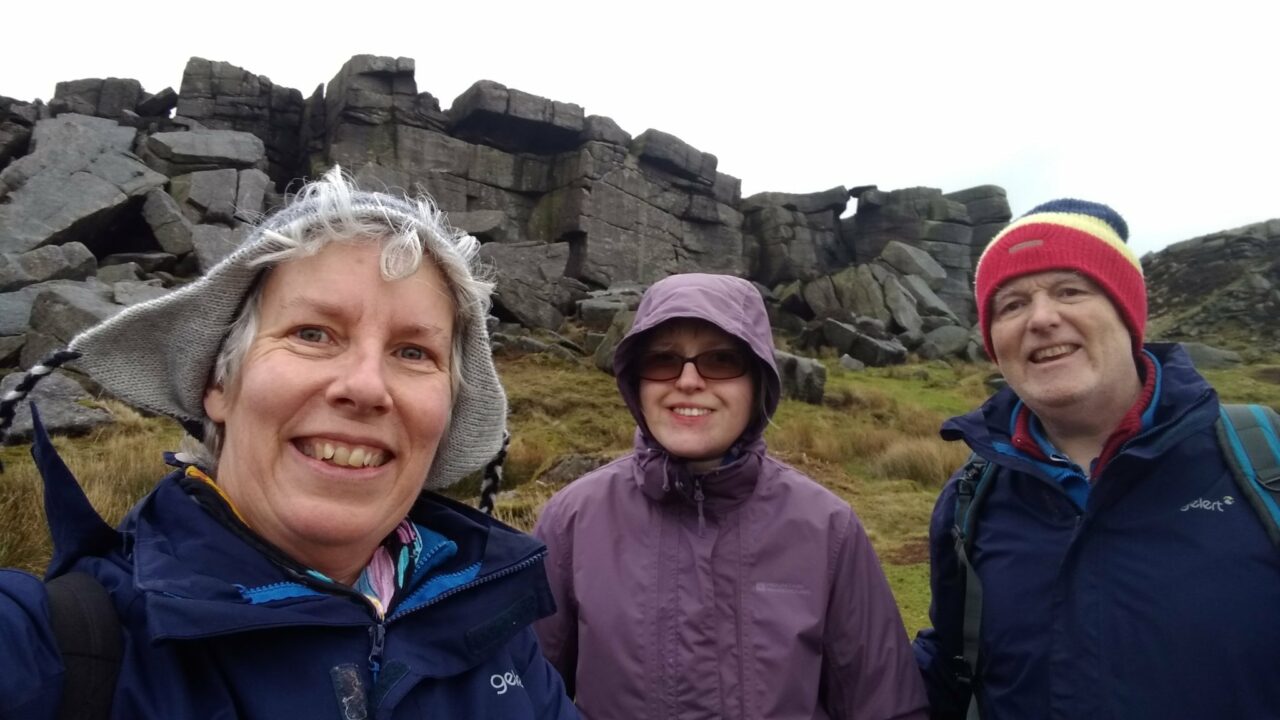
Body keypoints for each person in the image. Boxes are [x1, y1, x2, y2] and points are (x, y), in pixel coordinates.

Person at [0, 168, 578, 719]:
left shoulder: (497, 631)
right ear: (218, 385)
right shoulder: (62, 644)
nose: (366, 387)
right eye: (312, 334)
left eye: (412, 352)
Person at [913, 199, 1280, 719]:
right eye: (1011, 305)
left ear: (1127, 315)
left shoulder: (1263, 459)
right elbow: (949, 661)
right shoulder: (971, 497)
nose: (1042, 318)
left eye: (1070, 291)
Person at [532, 272, 928, 720]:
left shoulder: (827, 529)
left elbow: (887, 706)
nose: (687, 381)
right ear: (636, 382)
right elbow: (525, 700)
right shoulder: (571, 521)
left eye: (720, 360)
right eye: (662, 360)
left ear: (758, 381)